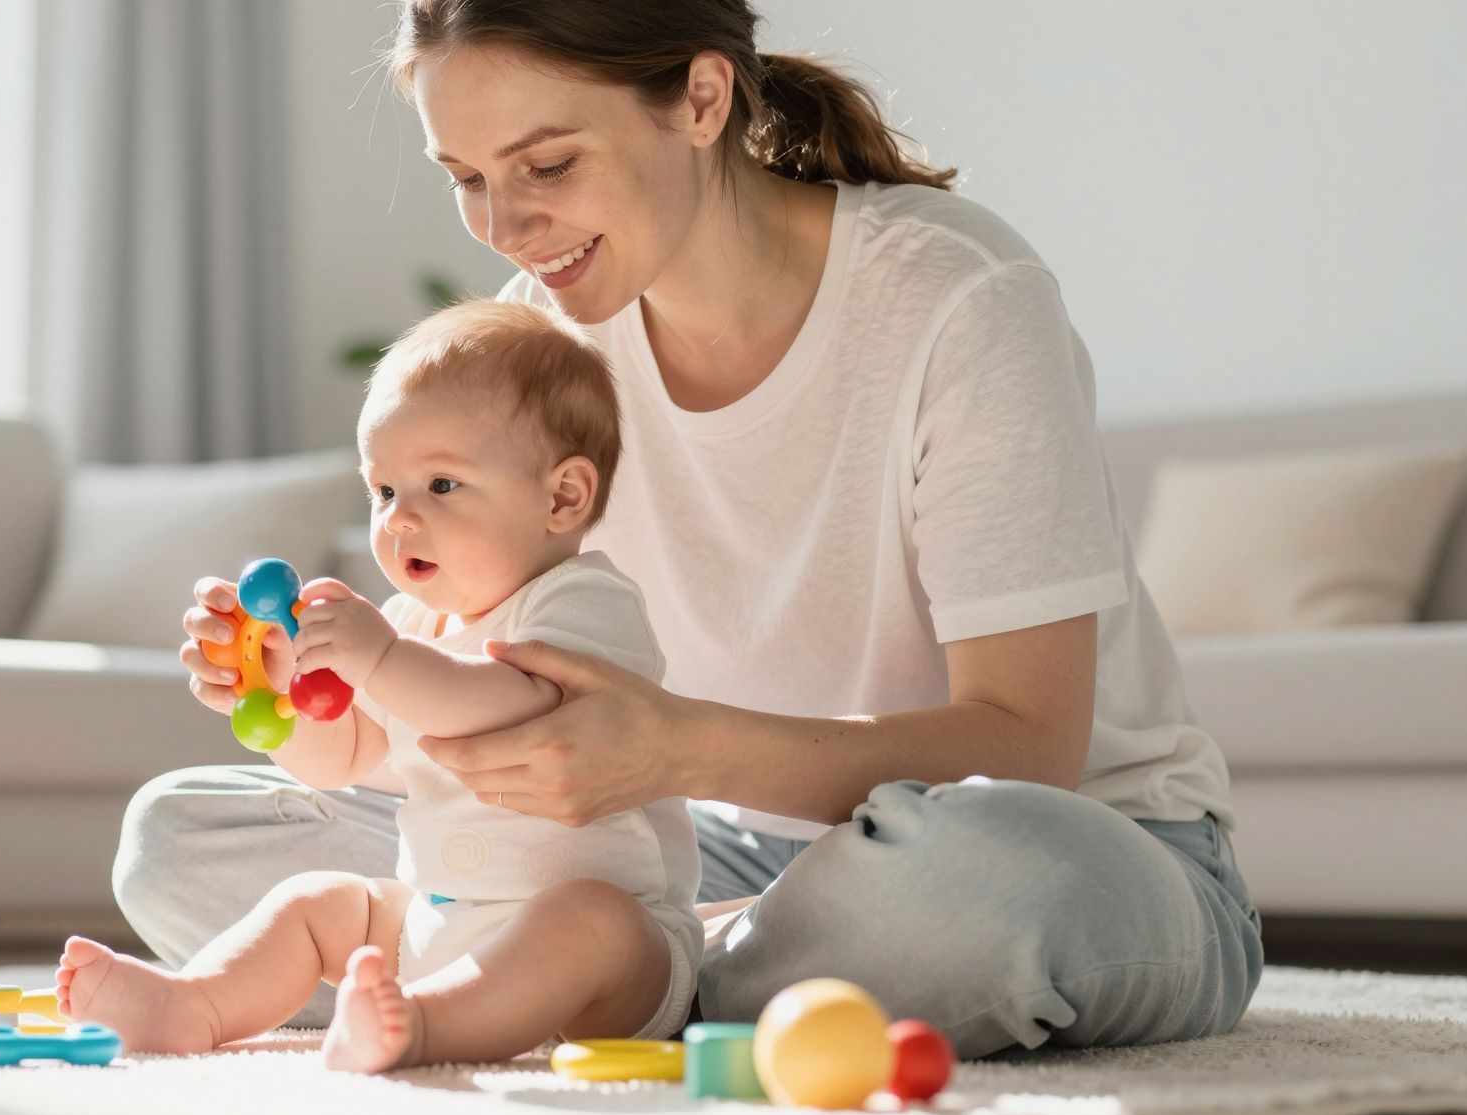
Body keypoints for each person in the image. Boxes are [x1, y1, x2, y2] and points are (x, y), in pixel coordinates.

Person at [121, 0, 1264, 1058]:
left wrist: (672, 747)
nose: (506, 226)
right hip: (680, 850)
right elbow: (450, 685)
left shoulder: (956, 298)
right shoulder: (543, 352)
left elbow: (1028, 752)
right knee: (181, 841)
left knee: (977, 888)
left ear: (703, 100)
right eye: (465, 177)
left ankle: (618, 978)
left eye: (548, 165)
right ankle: (629, 972)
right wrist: (312, 681)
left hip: (1056, 841)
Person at [60, 301, 701, 1070]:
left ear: (562, 497)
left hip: (618, 960)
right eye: (384, 491)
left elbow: (523, 709)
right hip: (438, 920)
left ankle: (423, 1029)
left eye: (440, 484)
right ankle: (194, 1004)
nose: (398, 520)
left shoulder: (583, 599)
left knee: (587, 920)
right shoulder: (410, 623)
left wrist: (380, 661)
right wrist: (278, 687)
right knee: (324, 903)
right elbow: (346, 756)